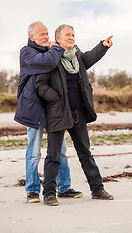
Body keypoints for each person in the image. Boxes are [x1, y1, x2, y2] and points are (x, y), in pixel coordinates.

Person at [35, 24, 114, 206]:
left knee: (85, 153)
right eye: (67, 35)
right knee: (53, 155)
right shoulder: (51, 58)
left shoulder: (77, 56)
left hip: (79, 114)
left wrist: (103, 45)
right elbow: (40, 85)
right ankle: (49, 193)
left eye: (73, 35)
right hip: (58, 113)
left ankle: (97, 189)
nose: (71, 37)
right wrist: (56, 98)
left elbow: (89, 57)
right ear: (58, 39)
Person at [14, 22, 82, 203]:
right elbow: (47, 62)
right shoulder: (27, 53)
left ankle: (64, 187)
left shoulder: (50, 51)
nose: (46, 36)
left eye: (47, 33)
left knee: (60, 150)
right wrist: (56, 48)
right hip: (33, 109)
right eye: (41, 34)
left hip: (52, 109)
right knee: (34, 151)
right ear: (31, 37)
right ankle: (33, 191)